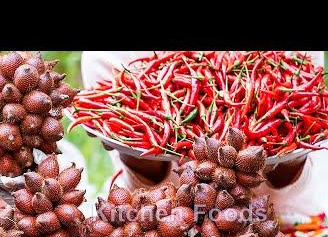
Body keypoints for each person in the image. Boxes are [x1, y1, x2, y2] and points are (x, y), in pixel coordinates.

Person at [81, 50, 328, 218]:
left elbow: (309, 118)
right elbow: (149, 177)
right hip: (160, 216)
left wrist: (292, 153)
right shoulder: (110, 57)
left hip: (284, 217)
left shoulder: (290, 63)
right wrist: (136, 155)